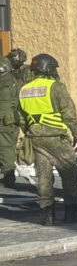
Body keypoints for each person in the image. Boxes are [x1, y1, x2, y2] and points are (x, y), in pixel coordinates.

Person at [17, 53, 77, 225]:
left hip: (36, 139)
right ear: (48, 68)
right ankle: (71, 212)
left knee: (43, 176)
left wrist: (31, 130)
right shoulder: (55, 87)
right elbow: (69, 113)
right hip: (56, 138)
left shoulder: (24, 89)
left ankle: (48, 215)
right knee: (69, 173)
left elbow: (20, 117)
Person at [0, 58, 18, 187]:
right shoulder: (10, 80)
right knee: (5, 146)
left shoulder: (7, 81)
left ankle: (8, 175)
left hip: (4, 118)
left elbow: (8, 102)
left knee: (5, 146)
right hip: (6, 117)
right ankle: (8, 175)